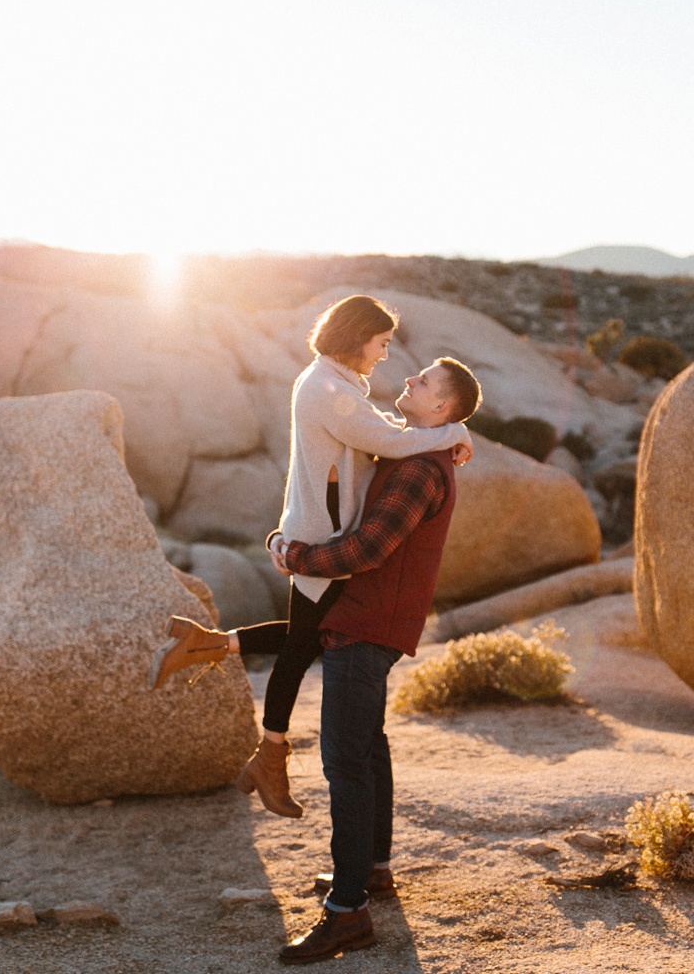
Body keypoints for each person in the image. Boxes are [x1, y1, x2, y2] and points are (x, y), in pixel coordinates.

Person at [154, 295, 472, 819]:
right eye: (382, 344)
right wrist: (454, 431)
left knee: (304, 638)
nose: (386, 356)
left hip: (320, 533)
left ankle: (212, 650)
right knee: (303, 644)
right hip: (324, 542)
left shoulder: (337, 385)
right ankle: (268, 753)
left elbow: (379, 441)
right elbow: (390, 444)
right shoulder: (327, 389)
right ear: (357, 337)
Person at [272, 357, 482, 965]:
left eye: (423, 383)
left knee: (346, 764)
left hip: (367, 623)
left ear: (442, 409)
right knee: (370, 748)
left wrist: (295, 558)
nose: (409, 382)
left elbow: (369, 549)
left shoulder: (420, 468)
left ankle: (347, 913)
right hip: (373, 620)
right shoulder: (416, 448)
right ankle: (373, 872)